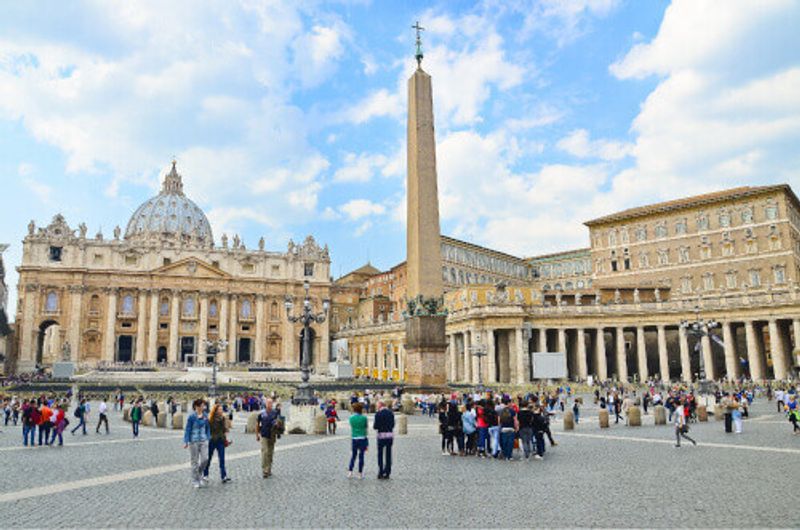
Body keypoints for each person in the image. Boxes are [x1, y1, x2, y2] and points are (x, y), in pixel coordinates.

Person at [183, 399, 210, 489]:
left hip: (203, 440)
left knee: (205, 459)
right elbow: (188, 429)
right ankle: (195, 480)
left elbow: (208, 428)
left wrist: (208, 437)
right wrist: (186, 441)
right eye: (202, 405)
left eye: (204, 405)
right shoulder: (191, 417)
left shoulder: (205, 416)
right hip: (193, 440)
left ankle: (199, 474)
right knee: (194, 461)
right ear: (197, 406)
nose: (204, 407)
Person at [203, 402, 231, 484]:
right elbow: (206, 430)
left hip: (220, 441)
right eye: (220, 409)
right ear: (215, 411)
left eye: (222, 409)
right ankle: (205, 474)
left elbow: (225, 429)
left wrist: (226, 438)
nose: (221, 411)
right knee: (208, 459)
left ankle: (223, 476)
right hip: (211, 441)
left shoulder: (223, 418)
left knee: (222, 459)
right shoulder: (210, 419)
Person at [256, 398, 280, 478]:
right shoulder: (261, 413)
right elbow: (257, 424)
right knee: (265, 452)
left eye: (271, 403)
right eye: (268, 403)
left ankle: (269, 469)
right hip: (264, 434)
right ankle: (265, 470)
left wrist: (277, 424)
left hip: (272, 435)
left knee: (270, 453)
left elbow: (279, 423)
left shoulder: (275, 413)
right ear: (265, 404)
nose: (270, 404)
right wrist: (257, 435)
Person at [373, 400, 395, 479]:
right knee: (388, 454)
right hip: (389, 435)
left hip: (381, 435)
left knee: (380, 454)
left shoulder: (378, 414)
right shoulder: (391, 413)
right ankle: (388, 472)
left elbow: (375, 426)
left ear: (380, 406)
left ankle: (381, 472)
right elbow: (393, 424)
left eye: (377, 405)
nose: (376, 407)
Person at [348, 402, 368, 478]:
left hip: (354, 438)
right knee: (361, 456)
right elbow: (366, 427)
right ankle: (360, 473)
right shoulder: (364, 418)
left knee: (353, 456)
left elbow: (352, 426)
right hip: (362, 438)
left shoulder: (351, 418)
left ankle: (350, 471)